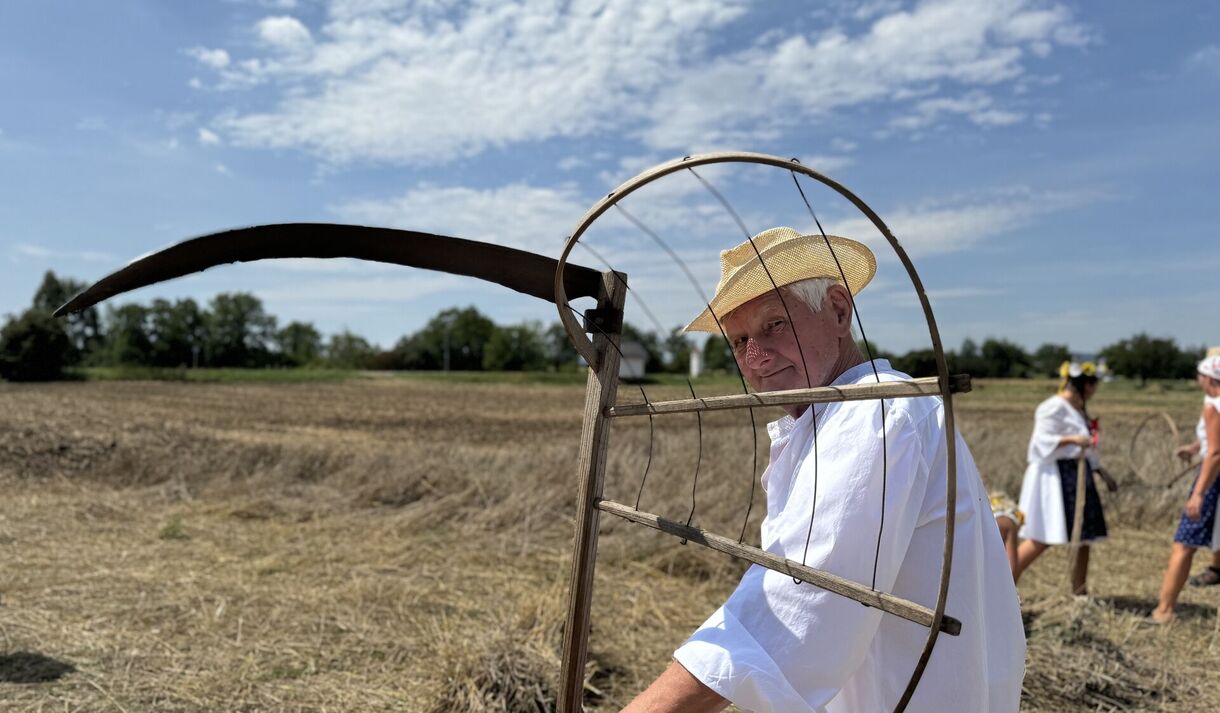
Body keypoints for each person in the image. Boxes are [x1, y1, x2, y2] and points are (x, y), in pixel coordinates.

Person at [621, 227, 1025, 713]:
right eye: (739, 340)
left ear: (837, 310)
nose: (755, 358)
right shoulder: (835, 419)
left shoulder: (874, 415)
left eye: (774, 325)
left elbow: (798, 603)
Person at [1012, 361, 1118, 594]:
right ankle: (1004, 588)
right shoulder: (1052, 407)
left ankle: (1079, 592)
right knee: (1042, 537)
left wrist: (1102, 473)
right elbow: (1039, 443)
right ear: (1080, 384)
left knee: (1083, 537)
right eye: (1092, 384)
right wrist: (1071, 439)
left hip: (1078, 474)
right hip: (1054, 478)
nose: (1094, 389)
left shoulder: (1078, 409)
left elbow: (1087, 448)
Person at [1151, 355, 1220, 621]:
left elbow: (1215, 453)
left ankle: (1164, 609)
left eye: (1200, 375)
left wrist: (1199, 493)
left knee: (1184, 543)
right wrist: (1194, 448)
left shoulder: (1213, 405)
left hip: (1213, 480)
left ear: (1208, 378)